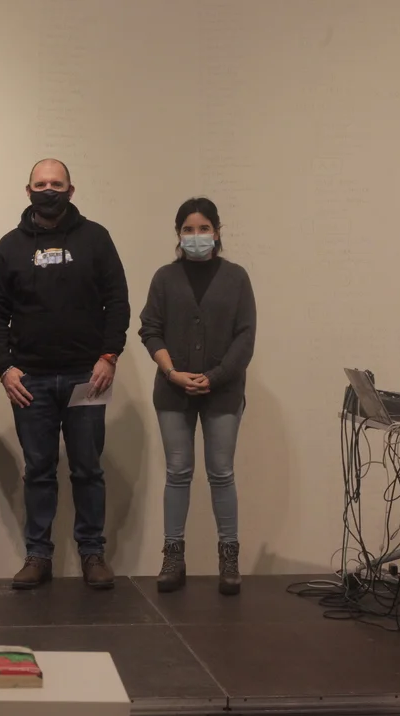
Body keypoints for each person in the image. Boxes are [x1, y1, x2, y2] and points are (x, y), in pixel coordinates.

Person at [0, 159, 130, 591]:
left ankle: (92, 553)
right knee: (38, 471)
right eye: (41, 183)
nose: (49, 190)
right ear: (28, 190)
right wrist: (4, 368)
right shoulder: (10, 246)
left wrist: (109, 356)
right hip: (30, 380)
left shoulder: (96, 238)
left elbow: (117, 300)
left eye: (57, 183)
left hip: (88, 376)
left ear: (71, 189)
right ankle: (38, 556)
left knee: (87, 469)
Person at [138, 197, 256, 596]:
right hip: (172, 392)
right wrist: (172, 372)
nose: (196, 236)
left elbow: (245, 336)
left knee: (221, 472)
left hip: (224, 392)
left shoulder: (236, 278)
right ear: (178, 234)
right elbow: (150, 328)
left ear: (217, 232)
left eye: (203, 228)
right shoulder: (164, 278)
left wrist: (215, 377)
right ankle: (173, 557)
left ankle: (229, 558)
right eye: (188, 229)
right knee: (178, 472)